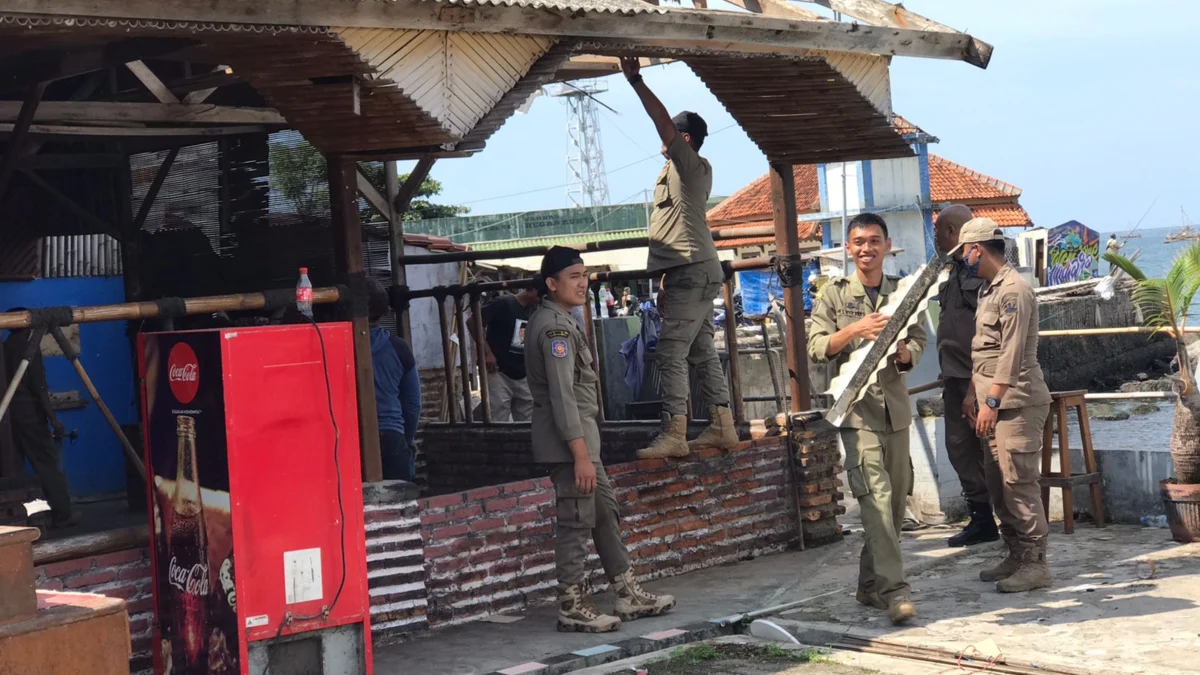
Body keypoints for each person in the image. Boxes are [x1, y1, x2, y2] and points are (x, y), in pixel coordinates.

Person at [526, 246, 676, 632]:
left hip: (583, 444)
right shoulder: (554, 328)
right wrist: (580, 456)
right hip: (568, 446)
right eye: (574, 275)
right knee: (576, 522)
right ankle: (571, 604)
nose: (583, 281)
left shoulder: (565, 319)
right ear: (551, 283)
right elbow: (563, 397)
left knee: (604, 512)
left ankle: (626, 592)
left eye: (585, 274)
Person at [806, 214, 924, 625]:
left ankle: (868, 586)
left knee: (892, 508)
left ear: (888, 245)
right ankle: (895, 591)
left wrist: (906, 353)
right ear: (848, 248)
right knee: (874, 503)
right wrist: (855, 330)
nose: (866, 248)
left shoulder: (902, 292)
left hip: (896, 412)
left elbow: (920, 340)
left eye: (874, 241)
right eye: (858, 242)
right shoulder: (833, 296)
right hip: (858, 414)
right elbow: (817, 347)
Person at [621, 57, 739, 459]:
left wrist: (637, 82)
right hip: (686, 271)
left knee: (671, 351)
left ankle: (674, 432)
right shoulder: (676, 170)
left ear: (684, 139)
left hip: (693, 270)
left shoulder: (689, 165)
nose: (663, 138)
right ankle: (722, 426)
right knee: (702, 349)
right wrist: (665, 282)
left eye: (673, 133)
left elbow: (662, 124)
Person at [957, 218, 1054, 593]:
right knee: (998, 484)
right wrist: (972, 395)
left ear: (977, 249)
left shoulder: (1014, 291)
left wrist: (992, 401)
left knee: (1019, 482)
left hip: (1016, 403)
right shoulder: (988, 290)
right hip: (992, 402)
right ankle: (1015, 553)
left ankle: (1036, 563)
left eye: (965, 252)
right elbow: (984, 353)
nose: (964, 259)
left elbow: (1010, 356)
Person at [933, 205, 1000, 548]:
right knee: (958, 448)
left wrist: (977, 386)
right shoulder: (949, 273)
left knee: (992, 450)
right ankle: (982, 518)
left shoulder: (983, 273)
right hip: (954, 377)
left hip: (980, 378)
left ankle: (1011, 522)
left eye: (940, 231)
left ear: (955, 232)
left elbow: (990, 334)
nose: (935, 238)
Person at [2, 313, 79, 528]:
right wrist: (53, 419)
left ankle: (17, 517)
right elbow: (40, 388)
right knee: (46, 463)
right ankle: (62, 513)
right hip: (30, 415)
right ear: (27, 328)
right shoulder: (29, 349)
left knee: (13, 466)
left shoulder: (5, 347)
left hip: (8, 417)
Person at [367, 281, 422, 481]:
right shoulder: (398, 348)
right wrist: (407, 438)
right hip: (391, 435)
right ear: (385, 311)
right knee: (402, 505)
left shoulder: (336, 346)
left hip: (348, 439)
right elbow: (413, 404)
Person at [470, 287, 539, 422]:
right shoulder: (503, 302)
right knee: (497, 418)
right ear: (534, 291)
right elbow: (473, 322)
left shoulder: (533, 310)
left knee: (528, 422)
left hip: (523, 373)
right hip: (498, 371)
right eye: (540, 296)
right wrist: (487, 353)